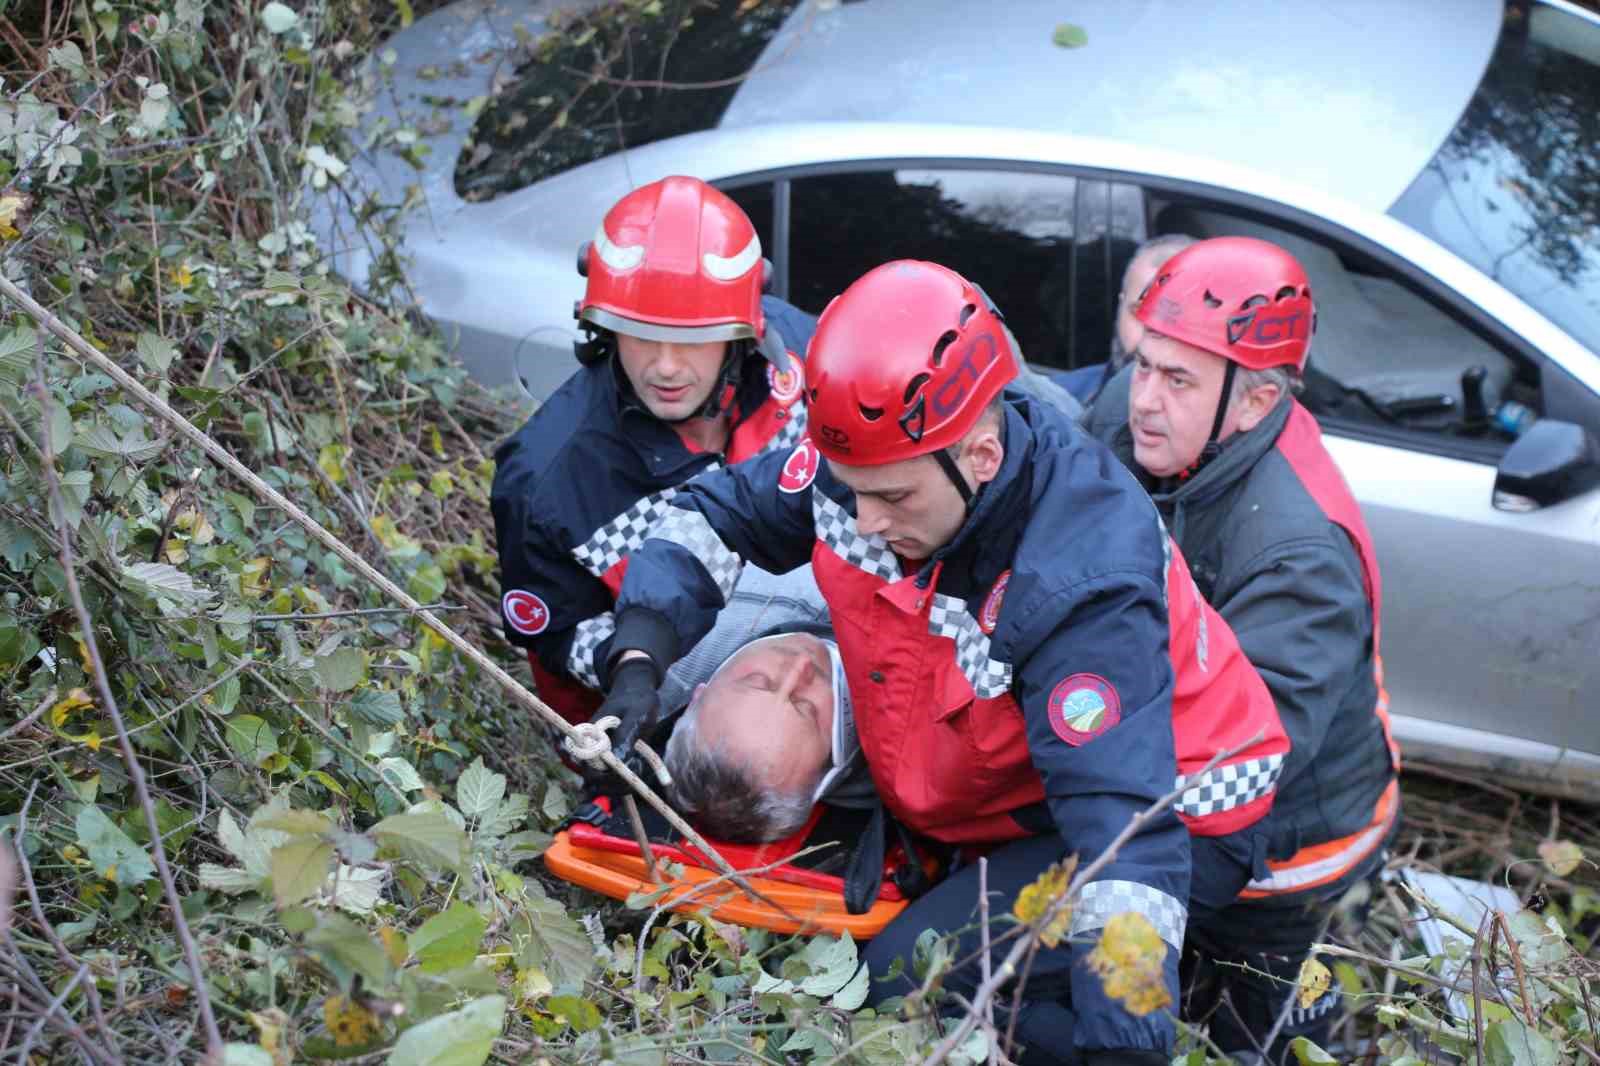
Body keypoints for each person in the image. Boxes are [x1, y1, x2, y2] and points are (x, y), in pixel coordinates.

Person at [591, 259, 1290, 1065]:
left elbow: (1122, 838)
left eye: (893, 500)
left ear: (983, 457)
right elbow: (710, 522)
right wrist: (638, 659)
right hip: (1044, 788)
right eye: (852, 489)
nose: (863, 521)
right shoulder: (876, 462)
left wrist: (1125, 1039)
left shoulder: (1078, 581)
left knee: (911, 981)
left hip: (1180, 809)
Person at [1083, 236, 1400, 1060]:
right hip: (1193, 814)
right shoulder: (1141, 416)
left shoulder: (1300, 553)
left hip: (1294, 866)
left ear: (1257, 402)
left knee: (1251, 1041)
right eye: (1144, 365)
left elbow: (1249, 757)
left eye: (1177, 381)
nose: (1143, 399)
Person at [491, 175, 816, 727]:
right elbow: (555, 633)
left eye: (694, 338)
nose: (665, 367)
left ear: (744, 331)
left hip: (825, 668)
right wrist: (630, 675)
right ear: (602, 327)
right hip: (669, 713)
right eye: (640, 334)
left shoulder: (798, 362)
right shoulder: (545, 481)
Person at [1055, 234, 1195, 405]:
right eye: (1140, 313)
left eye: (1173, 318)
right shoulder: (1058, 403)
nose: (1152, 338)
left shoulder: (1216, 416)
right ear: (1120, 305)